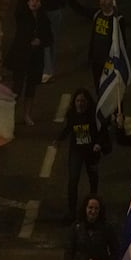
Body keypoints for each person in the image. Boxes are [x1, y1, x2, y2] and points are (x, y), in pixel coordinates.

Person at [55, 89, 111, 217]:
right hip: (77, 151)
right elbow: (69, 127)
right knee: (73, 179)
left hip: (91, 152)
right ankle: (71, 211)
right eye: (78, 101)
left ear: (88, 103)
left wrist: (98, 144)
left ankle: (94, 207)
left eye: (83, 101)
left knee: (93, 179)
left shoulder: (94, 115)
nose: (80, 104)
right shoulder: (72, 114)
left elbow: (102, 131)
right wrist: (59, 139)